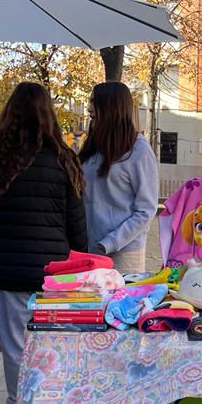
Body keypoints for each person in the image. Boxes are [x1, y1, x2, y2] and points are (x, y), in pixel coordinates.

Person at [0, 82, 87, 404]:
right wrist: (84, 272)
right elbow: (77, 226)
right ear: (49, 116)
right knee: (54, 345)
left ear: (9, 116)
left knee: (16, 348)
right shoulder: (65, 160)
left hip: (12, 274)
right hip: (56, 276)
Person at [78, 81, 158, 275]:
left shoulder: (139, 150)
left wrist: (110, 242)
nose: (89, 108)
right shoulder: (91, 147)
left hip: (124, 255)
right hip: (89, 252)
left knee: (118, 305)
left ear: (111, 107)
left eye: (94, 102)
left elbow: (146, 211)